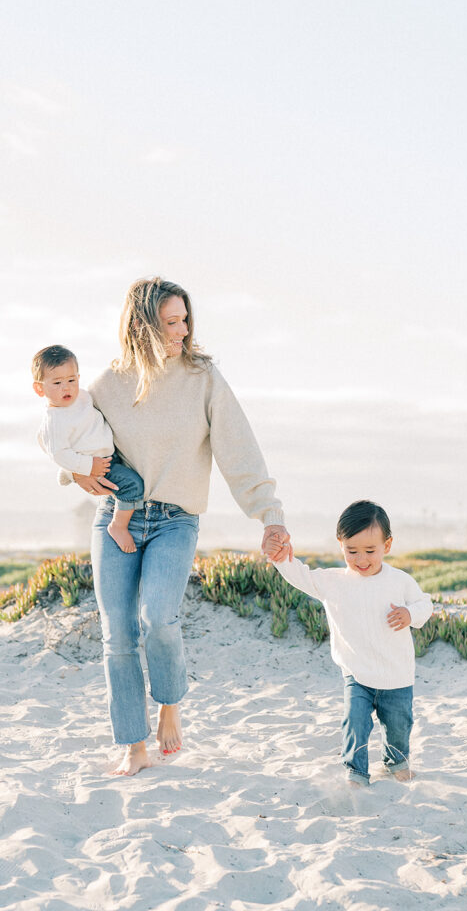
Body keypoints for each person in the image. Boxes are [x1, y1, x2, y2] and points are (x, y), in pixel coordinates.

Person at [64, 277, 291, 776]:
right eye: (171, 322)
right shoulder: (106, 386)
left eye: (185, 319)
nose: (182, 331)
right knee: (117, 634)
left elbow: (239, 451)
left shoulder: (203, 377)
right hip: (117, 519)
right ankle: (133, 745)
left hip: (174, 521)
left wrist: (270, 516)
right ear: (142, 324)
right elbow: (69, 435)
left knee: (158, 617)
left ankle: (169, 703)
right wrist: (76, 473)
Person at [264, 499, 433, 785]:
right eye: (351, 551)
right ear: (340, 544)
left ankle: (397, 764)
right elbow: (300, 575)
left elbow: (425, 605)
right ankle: (356, 772)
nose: (361, 559)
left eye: (370, 550)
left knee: (399, 725)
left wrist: (410, 614)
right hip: (357, 673)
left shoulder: (400, 581)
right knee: (355, 723)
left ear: (387, 546)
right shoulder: (334, 582)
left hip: (397, 675)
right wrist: (280, 556)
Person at [32, 344, 145, 553]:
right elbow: (58, 453)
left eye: (71, 380)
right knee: (133, 486)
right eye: (57, 383)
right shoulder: (55, 420)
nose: (66, 388)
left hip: (108, 455)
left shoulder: (82, 397)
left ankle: (67, 476)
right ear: (40, 388)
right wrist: (87, 467)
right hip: (97, 465)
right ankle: (118, 526)